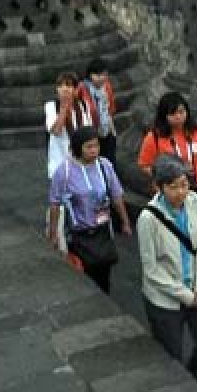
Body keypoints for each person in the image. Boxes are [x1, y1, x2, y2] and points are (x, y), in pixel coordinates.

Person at [137, 153, 197, 376]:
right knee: (171, 354)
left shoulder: (193, 200)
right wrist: (185, 295)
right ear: (159, 187)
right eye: (173, 187)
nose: (181, 192)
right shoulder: (148, 219)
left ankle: (193, 375)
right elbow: (151, 269)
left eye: (184, 185)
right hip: (166, 297)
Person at [47, 126, 131, 293]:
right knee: (84, 275)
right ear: (78, 148)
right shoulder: (64, 171)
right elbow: (55, 203)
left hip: (103, 230)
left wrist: (125, 221)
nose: (94, 151)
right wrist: (54, 232)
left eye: (96, 146)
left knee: (104, 274)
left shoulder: (104, 166)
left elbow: (116, 195)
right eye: (89, 147)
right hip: (79, 233)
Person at [136, 92, 197, 203]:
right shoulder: (154, 137)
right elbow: (144, 165)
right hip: (170, 190)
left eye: (181, 112)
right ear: (164, 116)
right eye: (173, 113)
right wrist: (168, 173)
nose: (178, 117)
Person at [45, 72, 93, 179]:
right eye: (60, 86)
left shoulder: (83, 105)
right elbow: (56, 131)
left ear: (75, 89)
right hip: (60, 163)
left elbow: (88, 133)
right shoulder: (51, 106)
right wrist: (63, 109)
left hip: (81, 163)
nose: (64, 89)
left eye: (68, 85)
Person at [77, 58, 118, 166]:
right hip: (91, 131)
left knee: (109, 161)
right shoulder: (83, 88)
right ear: (91, 75)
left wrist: (112, 130)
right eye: (98, 75)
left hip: (106, 129)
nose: (102, 78)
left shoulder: (107, 86)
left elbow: (110, 107)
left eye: (105, 75)